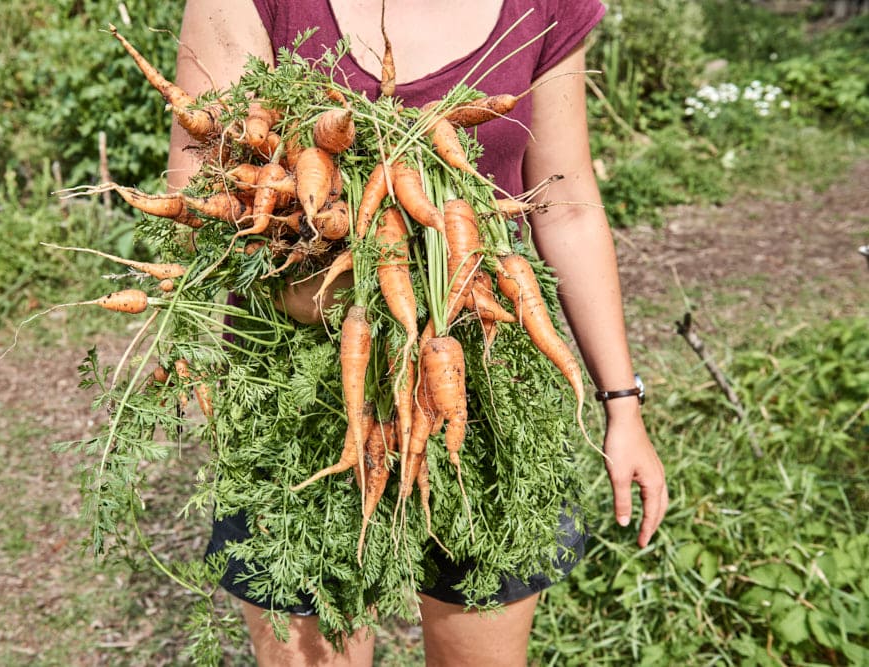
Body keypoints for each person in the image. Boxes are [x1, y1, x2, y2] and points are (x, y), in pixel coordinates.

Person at [166, 1, 669, 664]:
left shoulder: (544, 6)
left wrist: (620, 402)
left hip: (487, 393)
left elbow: (566, 204)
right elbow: (201, 181)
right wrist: (320, 256)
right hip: (297, 400)